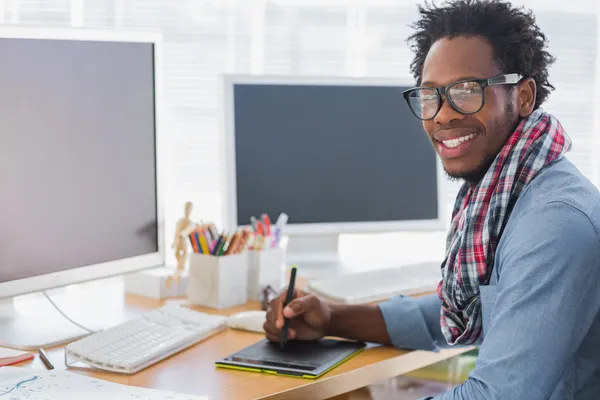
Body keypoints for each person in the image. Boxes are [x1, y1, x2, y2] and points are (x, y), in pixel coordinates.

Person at [263, 0, 600, 398]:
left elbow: (494, 396)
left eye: (466, 91)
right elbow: (462, 311)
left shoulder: (551, 223)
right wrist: (333, 317)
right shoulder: (505, 191)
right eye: (430, 96)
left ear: (523, 96)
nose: (441, 115)